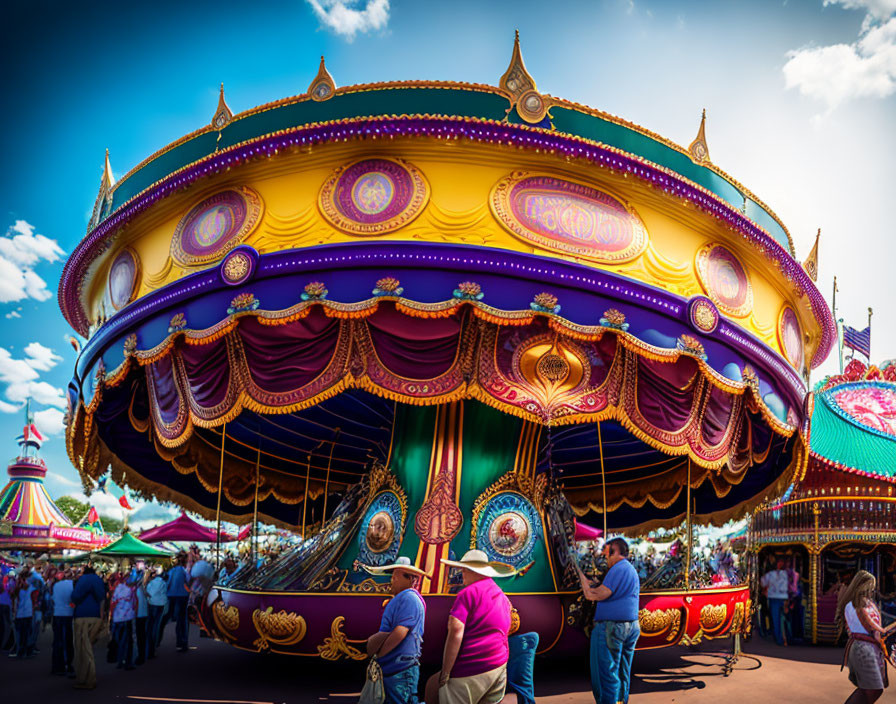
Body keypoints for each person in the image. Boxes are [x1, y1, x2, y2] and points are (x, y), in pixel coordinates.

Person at [429, 549, 515, 704]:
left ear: (473, 570)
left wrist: (446, 672)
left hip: (473, 665)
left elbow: (455, 631)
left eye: (464, 570)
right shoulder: (501, 594)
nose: (462, 574)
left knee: (436, 688)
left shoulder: (467, 593)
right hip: (499, 665)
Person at [576, 537, 641, 704]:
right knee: (622, 672)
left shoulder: (618, 569)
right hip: (630, 625)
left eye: (607, 555)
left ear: (615, 552)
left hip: (612, 627)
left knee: (607, 674)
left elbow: (594, 595)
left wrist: (581, 576)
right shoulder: (629, 569)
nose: (606, 559)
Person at [363, 556, 428, 704]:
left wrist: (380, 656)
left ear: (411, 580)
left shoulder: (409, 598)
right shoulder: (401, 599)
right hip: (394, 669)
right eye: (393, 575)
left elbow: (400, 632)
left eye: (397, 576)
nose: (392, 580)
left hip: (400, 670)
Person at [837, 570, 895, 704]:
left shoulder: (866, 603)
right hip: (864, 649)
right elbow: (874, 629)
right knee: (872, 690)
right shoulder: (856, 605)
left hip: (869, 648)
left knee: (869, 690)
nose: (873, 590)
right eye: (871, 587)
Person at [71, 565, 107, 690]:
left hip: (82, 617)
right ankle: (85, 678)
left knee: (82, 649)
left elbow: (75, 596)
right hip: (96, 616)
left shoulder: (83, 580)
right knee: (88, 647)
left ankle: (88, 679)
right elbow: (102, 598)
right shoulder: (98, 580)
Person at [111, 572, 137, 670]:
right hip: (127, 618)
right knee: (128, 641)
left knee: (120, 640)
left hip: (117, 618)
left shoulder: (118, 588)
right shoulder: (131, 590)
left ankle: (120, 661)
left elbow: (113, 600)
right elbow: (134, 603)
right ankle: (128, 662)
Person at [51, 569, 75, 677]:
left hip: (57, 614)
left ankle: (57, 666)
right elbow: (73, 599)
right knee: (68, 640)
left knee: (57, 641)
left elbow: (52, 599)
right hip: (68, 614)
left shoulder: (56, 586)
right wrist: (71, 607)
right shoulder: (72, 585)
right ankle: (68, 664)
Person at [760, 559, 790, 646]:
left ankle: (781, 639)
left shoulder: (771, 574)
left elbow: (762, 583)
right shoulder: (786, 574)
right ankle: (784, 638)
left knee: (777, 619)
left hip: (777, 598)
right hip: (781, 598)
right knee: (781, 619)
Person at [166, 552, 190, 652]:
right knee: (183, 620)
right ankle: (182, 642)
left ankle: (179, 642)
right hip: (183, 596)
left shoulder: (172, 571)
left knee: (172, 617)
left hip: (172, 595)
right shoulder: (185, 571)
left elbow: (168, 583)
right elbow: (189, 582)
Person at [11, 569, 36, 658]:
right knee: (26, 633)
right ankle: (26, 651)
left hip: (20, 613)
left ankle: (21, 652)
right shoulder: (31, 587)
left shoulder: (19, 588)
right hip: (27, 613)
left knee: (21, 634)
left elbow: (14, 599)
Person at [145, 567, 167, 658]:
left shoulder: (153, 583)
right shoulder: (163, 582)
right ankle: (153, 647)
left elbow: (150, 593)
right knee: (156, 626)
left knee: (151, 627)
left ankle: (150, 648)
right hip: (160, 605)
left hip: (152, 604)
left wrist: (145, 591)